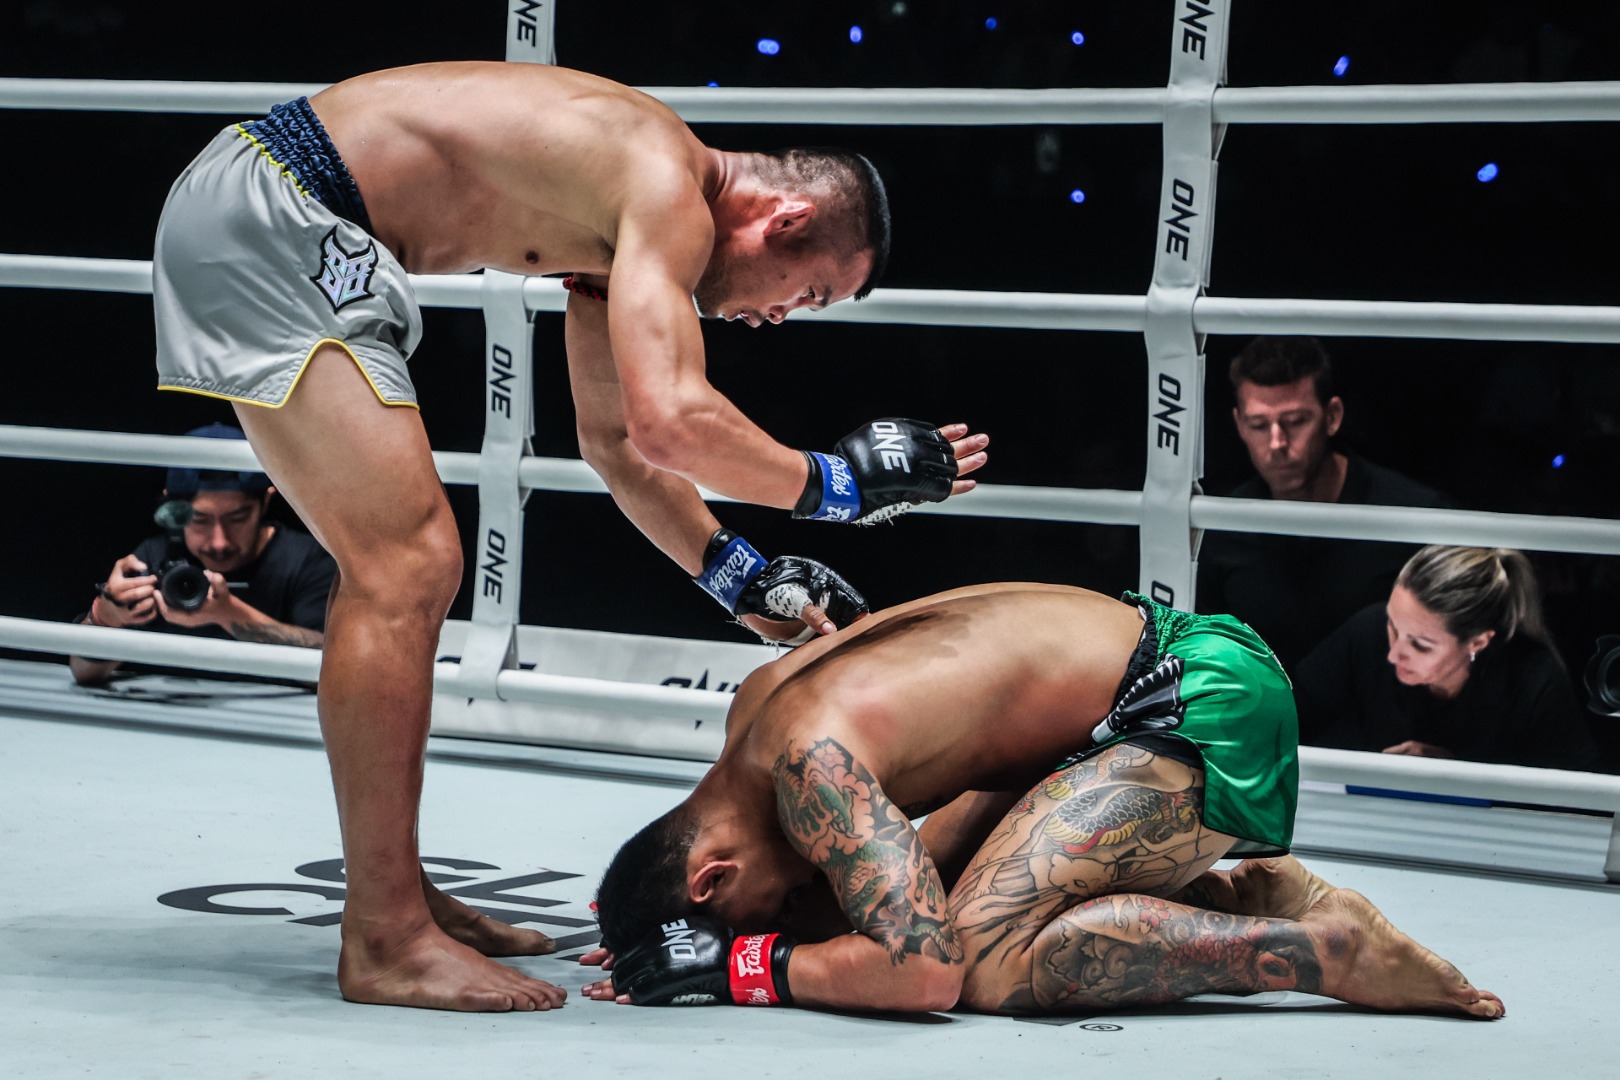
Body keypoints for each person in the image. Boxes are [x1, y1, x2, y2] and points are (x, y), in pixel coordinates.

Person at [148, 61, 989, 1012]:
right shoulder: (665, 182)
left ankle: (395, 892)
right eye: (812, 293)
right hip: (283, 211)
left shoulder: (615, 224)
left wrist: (742, 578)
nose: (778, 318)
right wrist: (835, 486)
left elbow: (620, 444)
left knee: (398, 562)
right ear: (785, 221)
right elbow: (675, 421)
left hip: (281, 211)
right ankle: (385, 936)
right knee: (407, 563)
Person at [584, 583, 1502, 1020]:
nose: (790, 905)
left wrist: (740, 961)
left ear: (711, 877)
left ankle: (1322, 951)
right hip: (1121, 705)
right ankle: (1245, 888)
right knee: (906, 914)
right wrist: (644, 931)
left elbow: (924, 976)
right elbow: (847, 907)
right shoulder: (755, 708)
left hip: (1197, 702)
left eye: (761, 905)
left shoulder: (810, 764)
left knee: (979, 964)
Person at [1197, 336, 1451, 670]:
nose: (1277, 443)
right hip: (1264, 702)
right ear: (1239, 425)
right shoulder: (1221, 526)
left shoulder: (1413, 517)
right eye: (1259, 425)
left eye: (1296, 421)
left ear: (1332, 416)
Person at [69, 423, 336, 687]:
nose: (219, 542)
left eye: (237, 518)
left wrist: (229, 613)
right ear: (172, 506)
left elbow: (334, 667)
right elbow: (84, 673)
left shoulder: (307, 560)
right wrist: (106, 617)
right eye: (200, 520)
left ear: (265, 502)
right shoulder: (153, 557)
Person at [1294, 545, 1598, 769]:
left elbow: (1577, 800)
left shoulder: (1533, 679)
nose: (1393, 654)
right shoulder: (1368, 632)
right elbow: (1284, 716)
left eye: (1421, 645)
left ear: (1477, 642)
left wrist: (1458, 774)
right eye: (1393, 627)